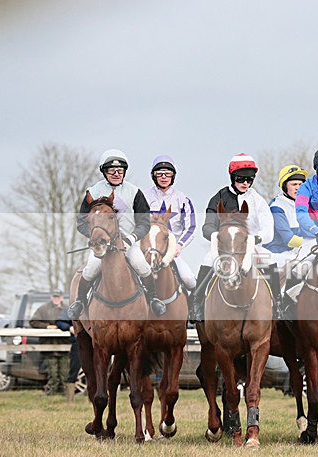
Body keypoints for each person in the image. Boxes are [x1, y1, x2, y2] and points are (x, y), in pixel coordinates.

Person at [67, 148, 166, 319]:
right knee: (90, 269)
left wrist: (131, 239)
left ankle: (153, 298)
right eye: (111, 170)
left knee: (141, 265)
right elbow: (81, 223)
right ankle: (80, 301)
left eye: (120, 170)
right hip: (101, 246)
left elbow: (144, 223)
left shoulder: (134, 192)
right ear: (104, 172)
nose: (116, 174)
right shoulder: (93, 192)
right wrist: (96, 237)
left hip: (127, 243)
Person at [192, 153, 274, 321]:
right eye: (241, 179)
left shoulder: (258, 201)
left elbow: (269, 230)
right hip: (224, 246)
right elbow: (207, 226)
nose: (245, 183)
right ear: (232, 177)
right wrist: (216, 236)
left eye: (249, 180)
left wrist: (256, 239)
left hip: (250, 246)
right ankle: (197, 304)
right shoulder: (219, 198)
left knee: (270, 259)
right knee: (208, 259)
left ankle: (278, 305)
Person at [143, 155, 198, 291]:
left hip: (171, 252)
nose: (163, 177)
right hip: (147, 252)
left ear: (173, 176)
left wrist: (179, 246)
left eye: (167, 173)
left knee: (189, 279)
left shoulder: (183, 199)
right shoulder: (143, 197)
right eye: (159, 173)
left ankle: (195, 310)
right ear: (153, 176)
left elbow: (190, 227)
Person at [265, 164, 316, 268]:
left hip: (297, 253)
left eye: (300, 185)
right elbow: (289, 240)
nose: (298, 188)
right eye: (294, 184)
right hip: (278, 255)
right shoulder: (276, 207)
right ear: (285, 186)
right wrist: (313, 244)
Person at [29, 290, 68, 395]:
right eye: (54, 297)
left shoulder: (67, 309)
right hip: (49, 345)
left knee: (65, 373)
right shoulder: (43, 309)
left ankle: (66, 394)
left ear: (62, 298)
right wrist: (47, 326)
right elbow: (33, 322)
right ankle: (51, 393)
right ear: (51, 297)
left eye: (58, 297)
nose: (56, 299)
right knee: (53, 373)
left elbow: (75, 322)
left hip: (65, 345)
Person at [55, 306, 79, 401]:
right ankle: (70, 400)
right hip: (79, 343)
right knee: (74, 369)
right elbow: (60, 322)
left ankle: (93, 398)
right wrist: (70, 328)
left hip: (95, 343)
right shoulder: (74, 306)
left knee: (95, 371)